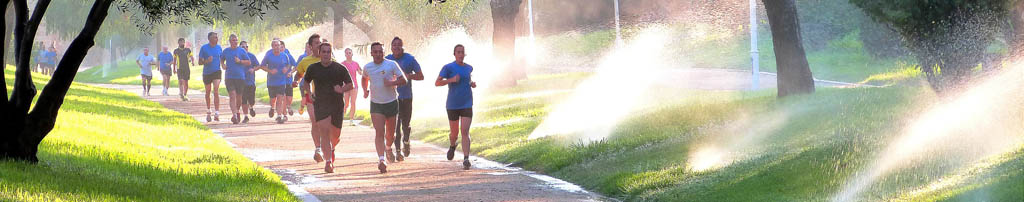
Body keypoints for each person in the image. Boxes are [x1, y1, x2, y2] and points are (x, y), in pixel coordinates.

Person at [302, 42, 354, 173]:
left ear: (331, 53)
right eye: (323, 52)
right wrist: (309, 93)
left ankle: (331, 149)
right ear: (319, 53)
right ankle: (328, 162)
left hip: (336, 104)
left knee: (335, 136)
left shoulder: (339, 68)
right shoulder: (313, 68)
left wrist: (341, 89)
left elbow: (350, 84)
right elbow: (306, 82)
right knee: (324, 133)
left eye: (328, 52)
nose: (326, 54)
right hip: (320, 104)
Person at [362, 42, 407, 173]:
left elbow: (404, 80)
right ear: (371, 53)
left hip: (391, 102)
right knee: (379, 132)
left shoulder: (391, 64)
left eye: (380, 51)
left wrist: (392, 83)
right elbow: (364, 78)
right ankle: (381, 159)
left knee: (390, 135)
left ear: (383, 52)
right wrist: (365, 90)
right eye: (375, 52)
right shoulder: (368, 67)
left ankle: (388, 148)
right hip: (376, 104)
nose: (377, 54)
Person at [435, 44, 476, 170]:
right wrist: (451, 80)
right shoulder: (448, 67)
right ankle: (452, 145)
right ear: (454, 54)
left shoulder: (469, 68)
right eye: (458, 52)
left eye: (462, 52)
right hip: (452, 104)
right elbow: (437, 82)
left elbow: (468, 80)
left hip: (467, 102)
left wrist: (472, 84)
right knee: (454, 132)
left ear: (465, 54)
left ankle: (466, 159)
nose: (460, 54)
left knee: (465, 131)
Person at [385, 37, 424, 160]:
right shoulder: (387, 60)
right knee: (395, 126)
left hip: (406, 96)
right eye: (394, 45)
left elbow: (421, 76)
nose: (396, 47)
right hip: (392, 97)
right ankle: (397, 151)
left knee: (405, 125)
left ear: (402, 47)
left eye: (399, 45)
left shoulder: (410, 59)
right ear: (391, 47)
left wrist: (409, 76)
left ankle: (406, 141)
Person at [294, 34, 325, 163]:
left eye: (320, 42)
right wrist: (296, 81)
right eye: (316, 43)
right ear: (311, 46)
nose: (319, 45)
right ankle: (318, 148)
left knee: (326, 124)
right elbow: (299, 74)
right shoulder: (305, 61)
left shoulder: (329, 59)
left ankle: (326, 147)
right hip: (311, 95)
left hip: (327, 96)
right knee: (315, 121)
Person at [220, 34, 251, 125]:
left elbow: (248, 62)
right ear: (230, 41)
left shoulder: (241, 51)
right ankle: (234, 115)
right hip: (229, 77)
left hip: (240, 77)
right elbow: (221, 59)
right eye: (233, 40)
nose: (235, 42)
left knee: (239, 97)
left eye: (236, 40)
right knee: (232, 95)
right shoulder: (226, 51)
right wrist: (223, 64)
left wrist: (240, 61)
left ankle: (237, 111)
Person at [261, 40, 292, 124]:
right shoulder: (268, 56)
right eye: (275, 45)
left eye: (278, 45)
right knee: (272, 99)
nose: (277, 47)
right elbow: (262, 66)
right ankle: (272, 107)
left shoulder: (284, 55)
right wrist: (270, 71)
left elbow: (288, 64)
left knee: (280, 98)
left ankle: (279, 116)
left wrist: (286, 69)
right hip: (271, 82)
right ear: (272, 47)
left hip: (281, 82)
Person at [198, 32, 224, 122]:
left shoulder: (219, 48)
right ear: (209, 39)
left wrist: (223, 65)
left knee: (216, 90)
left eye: (217, 37)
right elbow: (199, 62)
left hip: (217, 71)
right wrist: (206, 61)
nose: (216, 39)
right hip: (207, 73)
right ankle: (208, 110)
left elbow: (222, 59)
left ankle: (217, 113)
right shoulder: (204, 48)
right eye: (214, 38)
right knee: (208, 91)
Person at [341, 48, 362, 126]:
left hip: (354, 85)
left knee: (353, 102)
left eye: (350, 53)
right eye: (347, 53)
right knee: (346, 103)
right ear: (345, 55)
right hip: (346, 86)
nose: (348, 54)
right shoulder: (342, 64)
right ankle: (342, 116)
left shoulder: (355, 63)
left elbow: (360, 72)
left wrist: (363, 72)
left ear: (352, 54)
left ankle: (351, 120)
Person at [241, 41, 258, 123]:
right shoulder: (238, 57)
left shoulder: (252, 56)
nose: (245, 48)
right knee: (243, 100)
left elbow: (258, 65)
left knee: (251, 100)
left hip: (251, 81)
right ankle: (245, 116)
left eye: (246, 46)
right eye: (243, 47)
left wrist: (253, 69)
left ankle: (251, 107)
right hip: (241, 81)